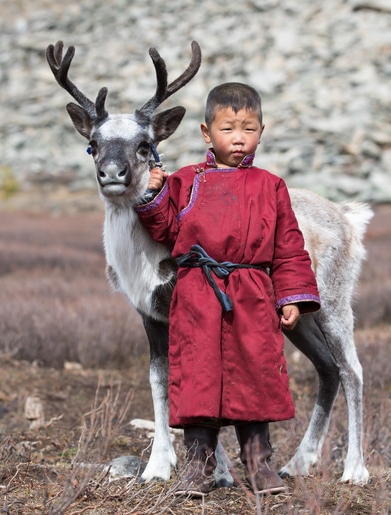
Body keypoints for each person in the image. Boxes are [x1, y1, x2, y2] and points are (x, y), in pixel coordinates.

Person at [134, 81, 321, 497]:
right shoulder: (184, 181)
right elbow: (166, 229)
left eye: (249, 129)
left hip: (253, 293)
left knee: (256, 374)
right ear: (206, 133)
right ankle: (198, 468)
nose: (239, 138)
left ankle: (259, 465)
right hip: (198, 294)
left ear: (262, 131)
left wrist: (292, 296)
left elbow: (289, 246)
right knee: (197, 377)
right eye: (228, 129)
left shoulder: (271, 186)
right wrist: (153, 195)